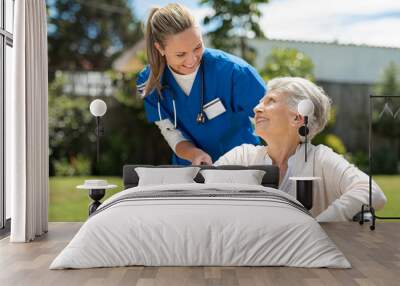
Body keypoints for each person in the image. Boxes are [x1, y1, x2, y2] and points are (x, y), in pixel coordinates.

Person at [214, 77, 387, 221]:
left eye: (271, 101)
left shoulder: (319, 159)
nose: (256, 108)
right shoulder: (242, 156)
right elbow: (196, 189)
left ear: (297, 118)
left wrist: (319, 226)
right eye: (261, 101)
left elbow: (372, 191)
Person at [136, 3, 266, 165]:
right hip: (190, 171)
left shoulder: (235, 72)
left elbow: (271, 122)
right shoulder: (149, 82)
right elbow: (170, 131)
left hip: (242, 168)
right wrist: (194, 154)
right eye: (180, 54)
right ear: (160, 48)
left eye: (198, 47)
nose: (192, 61)